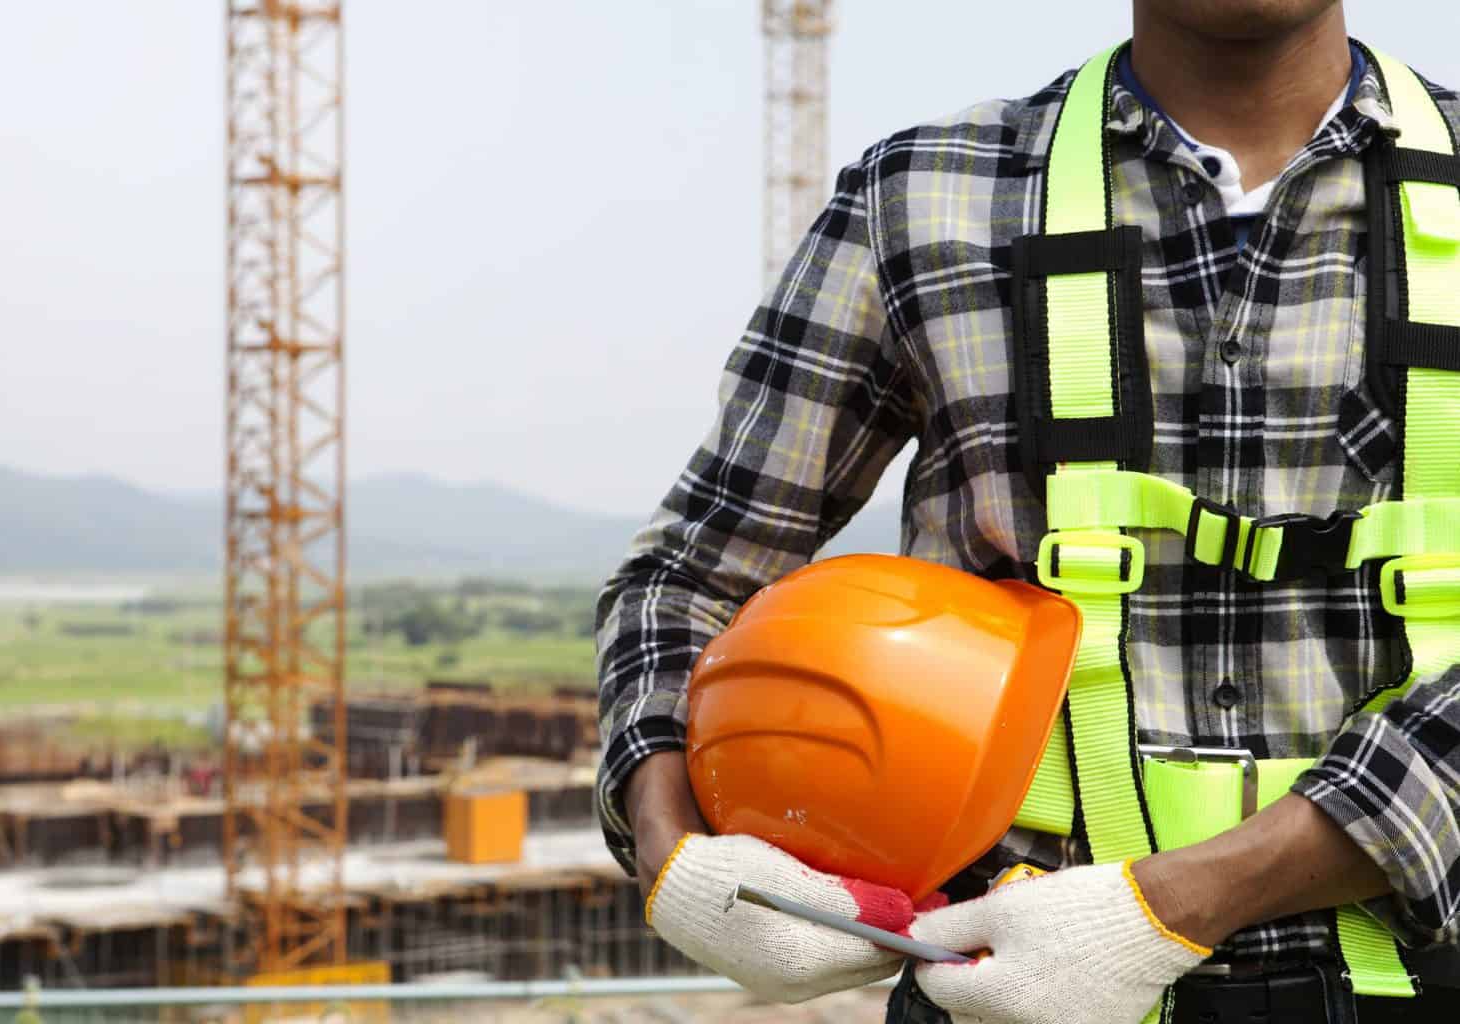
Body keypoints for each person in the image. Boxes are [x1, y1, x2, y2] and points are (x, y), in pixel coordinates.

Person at [595, 2, 1460, 1021]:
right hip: (1000, 1000)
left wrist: (1184, 898)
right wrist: (674, 846)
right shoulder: (921, 201)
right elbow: (686, 580)